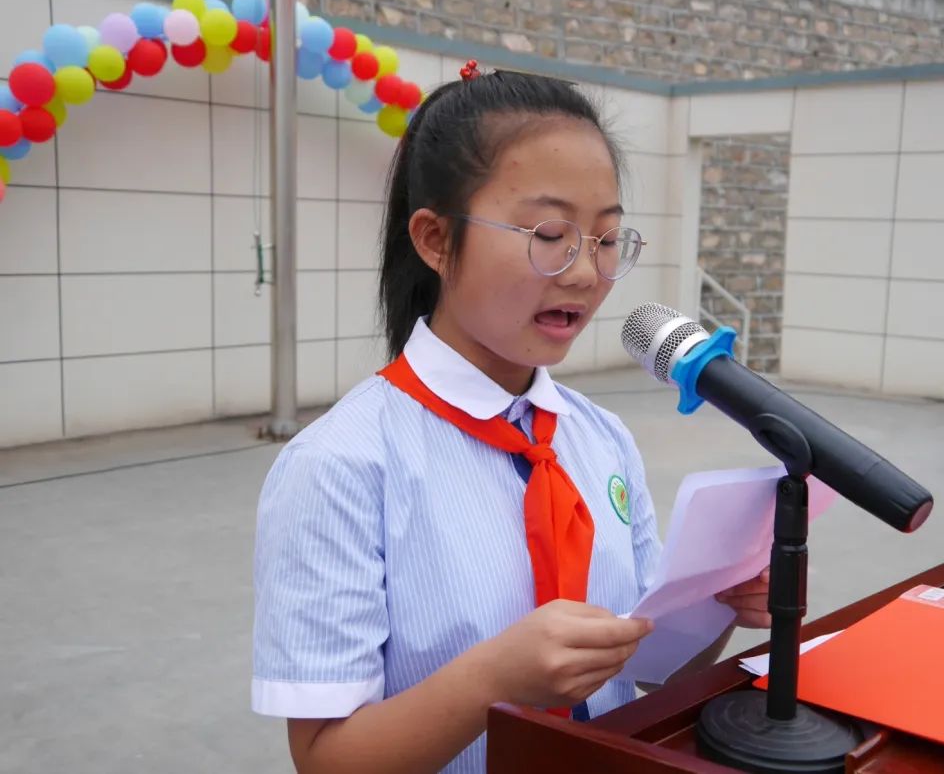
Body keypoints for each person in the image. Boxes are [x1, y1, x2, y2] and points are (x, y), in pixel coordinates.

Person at [251, 64, 770, 774]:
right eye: (551, 233)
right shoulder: (339, 465)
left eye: (606, 238)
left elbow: (651, 672)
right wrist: (492, 681)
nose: (585, 273)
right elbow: (326, 759)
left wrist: (716, 605)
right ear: (436, 240)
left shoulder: (600, 439)